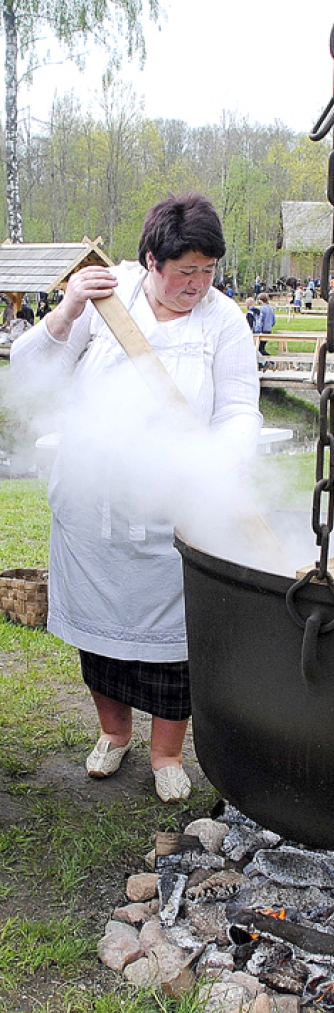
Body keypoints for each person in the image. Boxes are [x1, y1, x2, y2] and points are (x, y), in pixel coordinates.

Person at [11, 192, 261, 803]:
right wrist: (67, 309)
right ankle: (113, 734)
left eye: (208, 271)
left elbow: (237, 411)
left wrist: (214, 469)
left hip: (175, 510)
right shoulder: (105, 298)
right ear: (151, 261)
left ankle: (167, 752)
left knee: (177, 647)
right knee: (102, 638)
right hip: (94, 505)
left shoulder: (223, 321)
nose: (197, 284)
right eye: (185, 273)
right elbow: (28, 368)